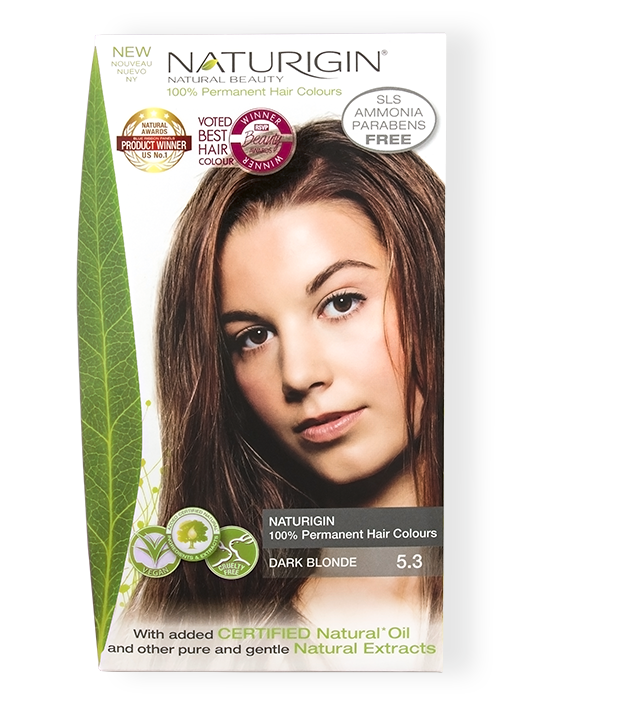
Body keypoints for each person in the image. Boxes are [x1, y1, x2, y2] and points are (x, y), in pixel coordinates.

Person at [127, 119, 444, 637]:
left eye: (341, 303)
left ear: (433, 286)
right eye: (253, 337)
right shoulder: (205, 626)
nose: (298, 375)